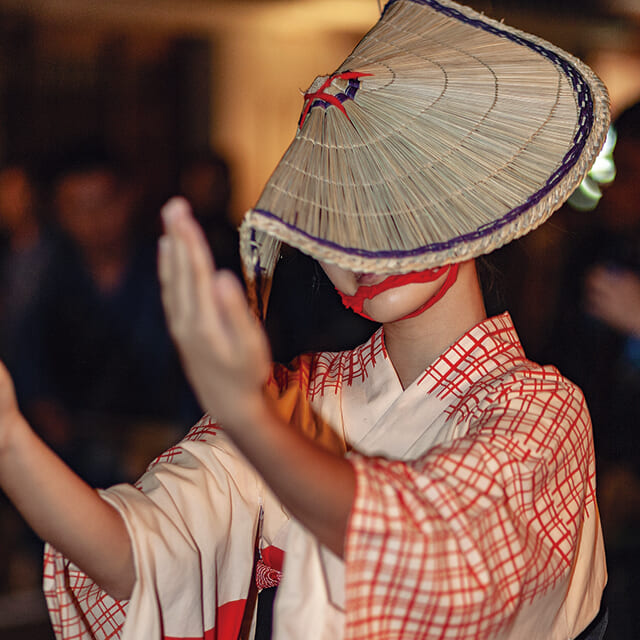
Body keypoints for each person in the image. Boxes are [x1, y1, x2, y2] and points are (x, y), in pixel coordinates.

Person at [0, 1, 610, 639]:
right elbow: (147, 554)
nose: (360, 244)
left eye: (393, 201)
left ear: (462, 200)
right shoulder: (300, 395)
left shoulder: (543, 413)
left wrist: (254, 423)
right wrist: (13, 441)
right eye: (336, 210)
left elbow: (445, 551)